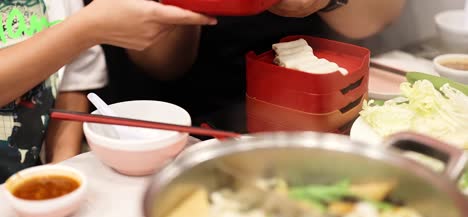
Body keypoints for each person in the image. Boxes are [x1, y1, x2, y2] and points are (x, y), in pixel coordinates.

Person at [0, 0, 215, 182]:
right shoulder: (84, 24)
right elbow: (75, 37)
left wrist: (63, 167)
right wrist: (85, 29)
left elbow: (72, 78)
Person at [124, 0, 406, 125]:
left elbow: (373, 19)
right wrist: (186, 3)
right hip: (192, 116)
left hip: (318, 100)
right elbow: (161, 64)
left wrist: (328, 0)